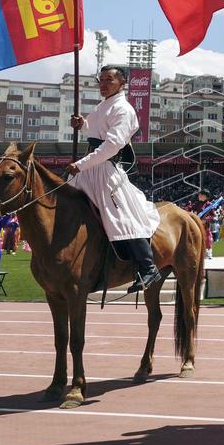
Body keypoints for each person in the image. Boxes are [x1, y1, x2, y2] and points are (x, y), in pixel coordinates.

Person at [66, 65, 162, 294]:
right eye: (101, 79)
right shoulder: (102, 106)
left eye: (109, 79)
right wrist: (82, 125)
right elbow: (95, 133)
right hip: (88, 169)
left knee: (120, 216)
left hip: (105, 170)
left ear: (122, 83)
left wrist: (81, 164)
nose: (103, 84)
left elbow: (111, 145)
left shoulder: (124, 109)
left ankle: (147, 267)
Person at [193, 190, 215, 260]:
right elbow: (191, 210)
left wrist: (206, 220)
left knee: (208, 238)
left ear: (206, 197)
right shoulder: (196, 204)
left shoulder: (209, 205)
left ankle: (208, 252)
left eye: (201, 195)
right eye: (199, 195)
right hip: (197, 225)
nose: (199, 196)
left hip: (205, 226)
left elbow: (212, 215)